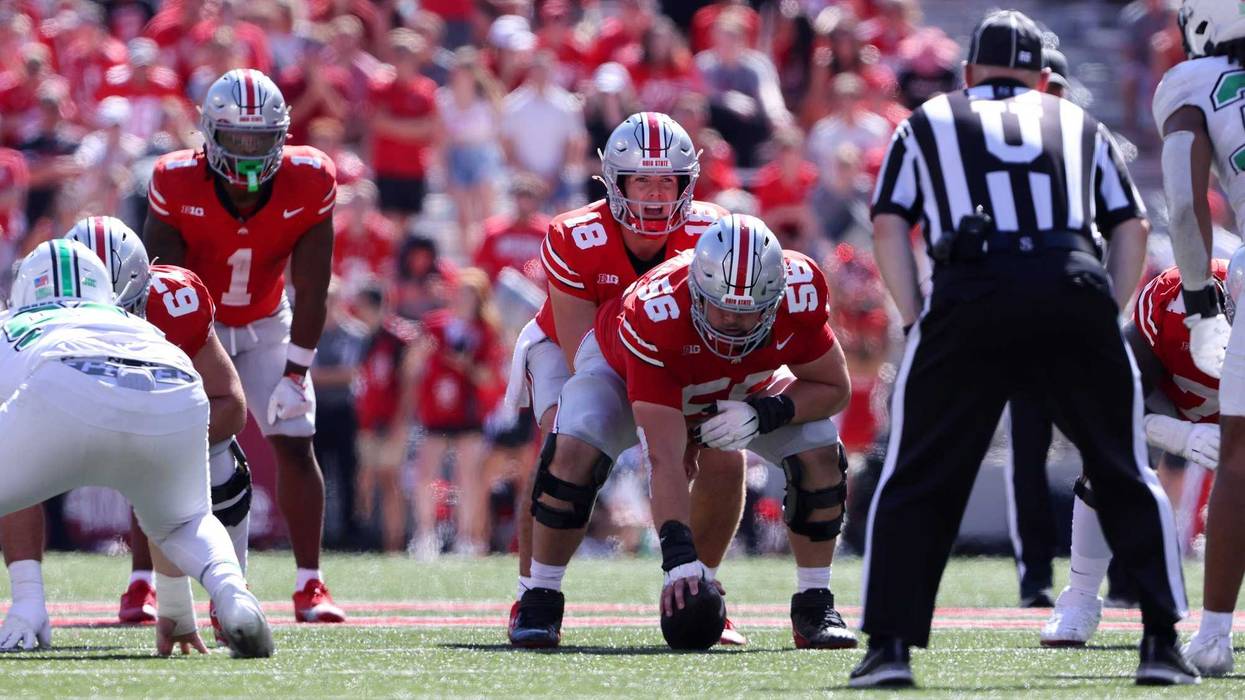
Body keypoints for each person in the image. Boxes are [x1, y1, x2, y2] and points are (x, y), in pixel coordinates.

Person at [856, 10, 1191, 687]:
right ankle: (1161, 642)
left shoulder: (927, 120)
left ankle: (888, 648)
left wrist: (917, 316)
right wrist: (1107, 309)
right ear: (1042, 78)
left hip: (968, 289)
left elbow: (888, 223)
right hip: (1069, 283)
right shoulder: (1079, 123)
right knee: (1122, 468)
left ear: (969, 72)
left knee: (917, 471)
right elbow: (1129, 226)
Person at [513, 214, 856, 651]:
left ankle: (814, 602)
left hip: (741, 386)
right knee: (576, 440)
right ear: (696, 289)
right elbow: (664, 458)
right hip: (625, 374)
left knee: (820, 446)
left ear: (774, 300)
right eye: (721, 307)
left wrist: (766, 412)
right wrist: (677, 559)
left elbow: (834, 387)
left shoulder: (800, 293)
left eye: (748, 312)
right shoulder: (658, 312)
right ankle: (540, 597)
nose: (732, 322)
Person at [502, 112, 736, 647]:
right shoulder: (574, 235)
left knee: (725, 455)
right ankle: (535, 593)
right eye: (642, 180)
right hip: (575, 349)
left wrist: (684, 418)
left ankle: (705, 594)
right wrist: (659, 422)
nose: (655, 195)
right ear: (616, 182)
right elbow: (585, 351)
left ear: (687, 183)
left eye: (666, 181)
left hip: (677, 357)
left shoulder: (712, 233)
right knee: (565, 450)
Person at [0, 239, 271, 657]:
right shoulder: (137, 322)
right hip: (172, 383)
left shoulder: (11, 324)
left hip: (60, 384)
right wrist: (176, 613)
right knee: (185, 523)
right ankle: (232, 595)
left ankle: (28, 603)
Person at [144, 68, 344, 623]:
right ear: (210, 134)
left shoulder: (310, 178)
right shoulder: (175, 179)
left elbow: (314, 285)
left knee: (295, 439)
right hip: (194, 327)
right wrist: (174, 352)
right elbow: (161, 285)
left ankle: (310, 584)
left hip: (265, 321)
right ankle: (142, 582)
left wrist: (297, 372)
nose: (250, 150)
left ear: (282, 135)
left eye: (261, 137)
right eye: (238, 137)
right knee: (155, 446)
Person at [1042, 259, 1232, 647]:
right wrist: (1180, 435)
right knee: (1105, 460)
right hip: (1173, 406)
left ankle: (1216, 627)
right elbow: (1106, 409)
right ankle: (1079, 598)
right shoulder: (1168, 301)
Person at [1150, 0, 1245, 675]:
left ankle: (1213, 633)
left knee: (1239, 454)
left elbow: (1183, 207)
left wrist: (1196, 298)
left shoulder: (1195, 79)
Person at [404, 268, 504, 558]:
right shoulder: (434, 325)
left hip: (468, 411)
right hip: (435, 409)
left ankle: (466, 537)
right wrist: (418, 354)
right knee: (425, 473)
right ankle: (425, 535)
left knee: (468, 478)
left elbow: (489, 378)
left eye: (469, 294)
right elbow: (411, 367)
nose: (462, 299)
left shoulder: (485, 331)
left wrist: (463, 364)